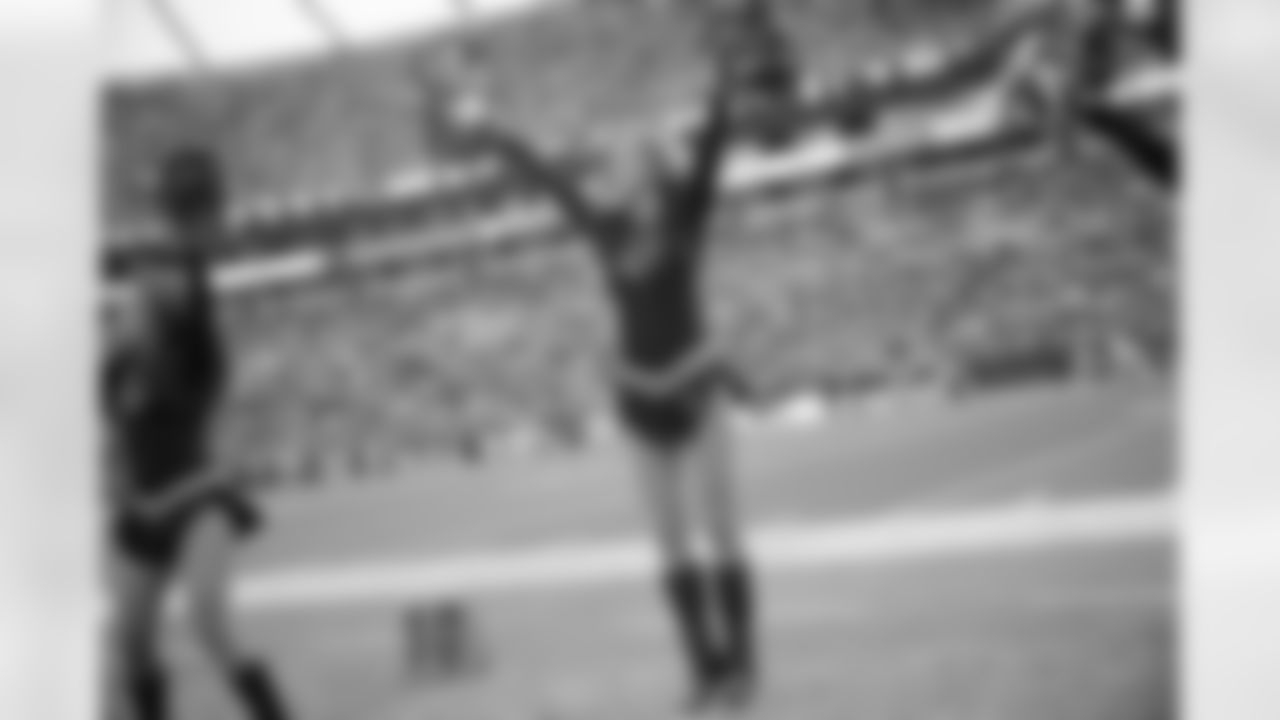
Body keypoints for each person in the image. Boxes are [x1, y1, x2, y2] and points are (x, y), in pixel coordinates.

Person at [423, 20, 762, 713]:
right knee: (670, 545)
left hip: (697, 384)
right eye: (609, 157)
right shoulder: (603, 227)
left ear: (652, 162)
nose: (612, 162)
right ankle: (704, 667)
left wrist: (726, 77)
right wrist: (492, 133)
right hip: (638, 397)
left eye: (627, 151)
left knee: (721, 527)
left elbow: (713, 147)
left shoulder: (685, 216)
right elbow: (546, 178)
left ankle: (742, 661)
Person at [102, 146, 291, 720]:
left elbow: (190, 281)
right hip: (145, 502)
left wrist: (188, 232)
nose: (145, 290)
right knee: (130, 642)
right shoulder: (121, 362)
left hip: (195, 493)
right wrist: (120, 485)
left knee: (208, 616)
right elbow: (113, 421)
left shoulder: (195, 325)